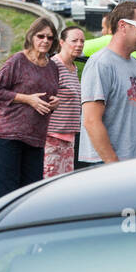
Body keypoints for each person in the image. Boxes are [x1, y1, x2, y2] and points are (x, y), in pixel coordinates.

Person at [0, 18, 60, 198]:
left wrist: (53, 104)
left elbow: (47, 96)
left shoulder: (53, 67)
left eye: (49, 38)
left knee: (31, 193)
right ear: (31, 37)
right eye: (40, 36)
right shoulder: (18, 61)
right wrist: (27, 99)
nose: (45, 41)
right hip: (9, 134)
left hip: (36, 137)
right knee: (7, 193)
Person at [78, 0, 136, 165]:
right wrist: (113, 165)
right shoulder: (100, 64)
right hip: (112, 166)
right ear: (123, 26)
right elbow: (91, 121)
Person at [44, 25, 85, 178]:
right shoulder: (53, 66)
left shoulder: (73, 68)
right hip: (52, 138)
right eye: (74, 41)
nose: (79, 44)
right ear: (62, 42)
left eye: (82, 41)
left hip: (68, 137)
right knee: (49, 183)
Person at [82, 11, 136, 84]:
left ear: (111, 29)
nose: (102, 31)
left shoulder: (110, 40)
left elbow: (77, 47)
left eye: (103, 27)